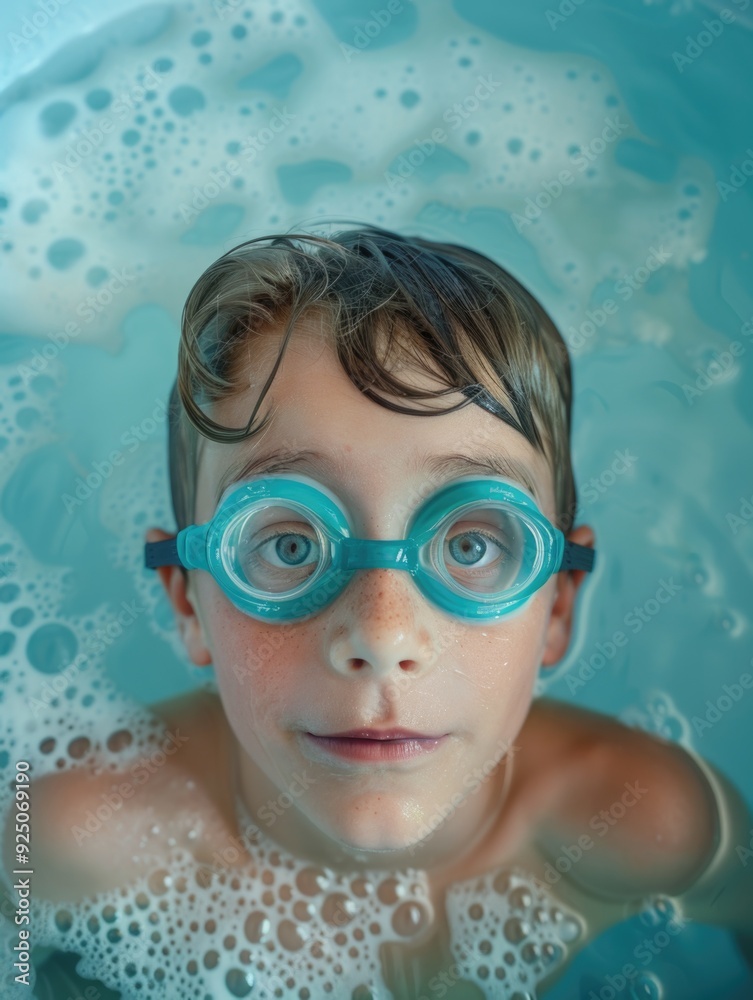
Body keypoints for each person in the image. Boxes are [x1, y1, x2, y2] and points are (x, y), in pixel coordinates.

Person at [7, 224, 753, 998]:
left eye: (470, 546)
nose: (381, 634)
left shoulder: (649, 822)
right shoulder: (63, 837)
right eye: (289, 546)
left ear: (557, 602)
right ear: (188, 601)